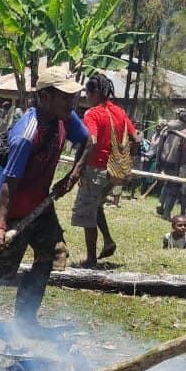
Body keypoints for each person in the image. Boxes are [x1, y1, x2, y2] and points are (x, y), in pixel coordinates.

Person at [0, 67, 92, 328]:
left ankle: (25, 319)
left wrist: (72, 176)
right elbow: (8, 185)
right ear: (45, 97)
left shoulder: (65, 118)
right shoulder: (26, 134)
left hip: (42, 205)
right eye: (64, 97)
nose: (71, 103)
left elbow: (88, 142)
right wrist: (1, 225)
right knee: (2, 271)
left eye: (72, 97)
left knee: (51, 255)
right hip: (14, 209)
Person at [69, 75, 138, 267]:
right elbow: (135, 137)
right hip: (113, 172)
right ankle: (108, 241)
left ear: (95, 93)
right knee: (96, 206)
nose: (87, 96)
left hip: (95, 169)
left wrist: (79, 167)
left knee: (86, 214)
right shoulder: (120, 112)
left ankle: (91, 259)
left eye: (88, 93)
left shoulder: (93, 114)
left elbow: (92, 140)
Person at [155, 109, 186, 218]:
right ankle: (166, 213)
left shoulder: (167, 128)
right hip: (176, 162)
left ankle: (160, 204)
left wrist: (158, 161)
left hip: (164, 160)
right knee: (174, 187)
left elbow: (160, 146)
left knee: (167, 183)